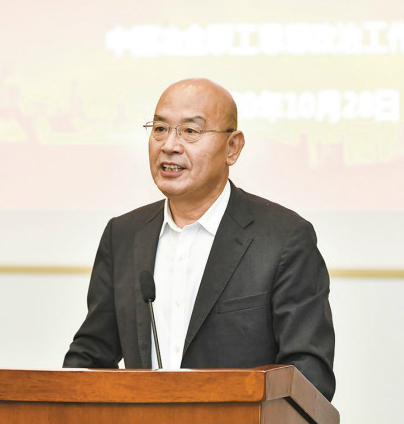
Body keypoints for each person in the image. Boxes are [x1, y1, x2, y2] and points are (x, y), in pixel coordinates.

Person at [63, 78, 335, 400]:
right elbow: (90, 356)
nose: (169, 145)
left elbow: (309, 376)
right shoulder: (123, 235)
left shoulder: (283, 239)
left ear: (232, 148)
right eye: (160, 129)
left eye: (190, 131)